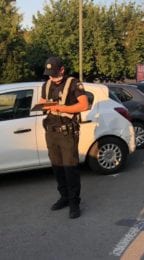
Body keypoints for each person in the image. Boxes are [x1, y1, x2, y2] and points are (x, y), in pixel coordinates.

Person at [39, 57, 88, 219]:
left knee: (70, 168)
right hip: (51, 132)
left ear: (62, 69)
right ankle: (64, 197)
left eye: (54, 73)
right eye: (49, 74)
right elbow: (41, 102)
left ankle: (74, 203)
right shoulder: (46, 85)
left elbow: (83, 105)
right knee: (57, 167)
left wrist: (61, 108)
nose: (51, 77)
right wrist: (44, 106)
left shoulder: (73, 83)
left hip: (67, 132)